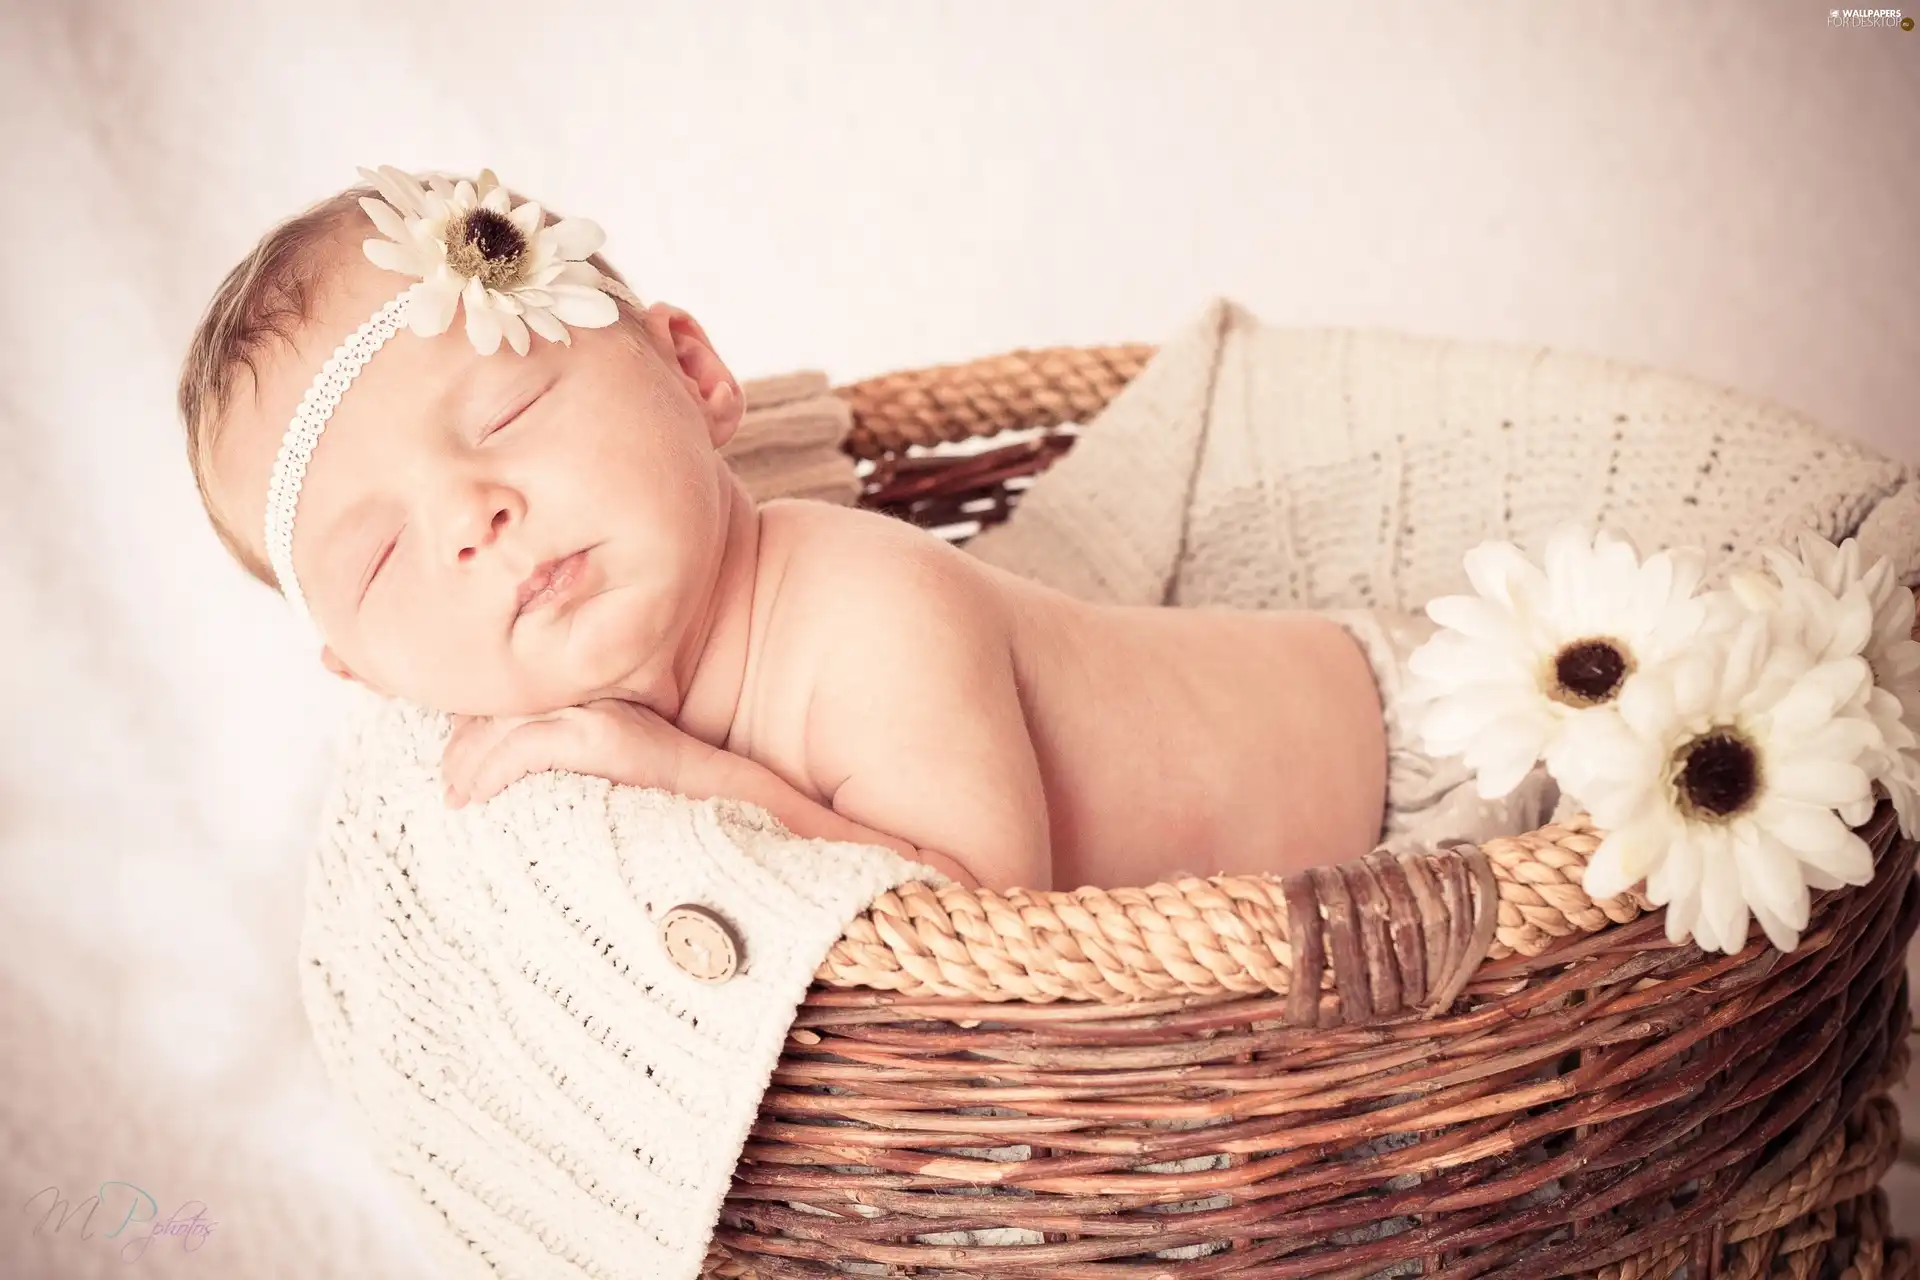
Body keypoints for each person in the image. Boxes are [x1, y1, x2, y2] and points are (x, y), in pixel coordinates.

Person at [180, 165, 1496, 894]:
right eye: (382, 557)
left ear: (692, 375)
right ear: (362, 672)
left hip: (1442, 776)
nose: (473, 516)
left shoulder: (857, 606)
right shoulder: (495, 773)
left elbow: (978, 912)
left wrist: (689, 778)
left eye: (513, 407)